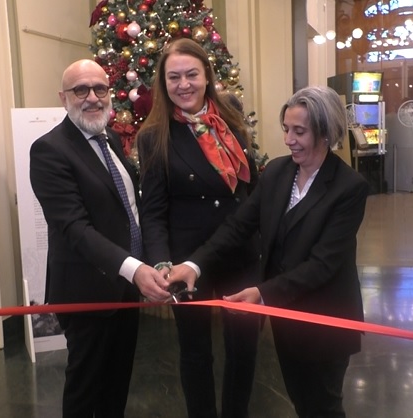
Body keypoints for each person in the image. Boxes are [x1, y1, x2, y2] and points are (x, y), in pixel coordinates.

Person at [168, 85, 369, 417]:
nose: (289, 139)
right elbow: (238, 226)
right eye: (286, 129)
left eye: (299, 131)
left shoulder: (349, 187)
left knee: (323, 406)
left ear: (325, 133)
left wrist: (262, 293)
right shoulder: (277, 172)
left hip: (326, 322)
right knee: (301, 400)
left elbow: (322, 264)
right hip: (286, 318)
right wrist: (194, 265)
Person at [29, 59, 172, 418]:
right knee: (86, 388)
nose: (92, 97)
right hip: (86, 291)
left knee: (116, 383)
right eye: (81, 90)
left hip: (123, 289)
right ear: (63, 97)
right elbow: (74, 228)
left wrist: (146, 264)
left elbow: (128, 211)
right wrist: (134, 268)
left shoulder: (110, 141)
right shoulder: (49, 150)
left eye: (100, 88)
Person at [136, 38, 262, 418]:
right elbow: (153, 212)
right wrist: (161, 264)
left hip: (239, 253)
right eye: (173, 77)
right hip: (186, 263)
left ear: (207, 74)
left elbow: (249, 189)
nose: (183, 84)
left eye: (191, 74)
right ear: (164, 83)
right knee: (195, 352)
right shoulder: (154, 135)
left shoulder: (231, 115)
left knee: (244, 348)